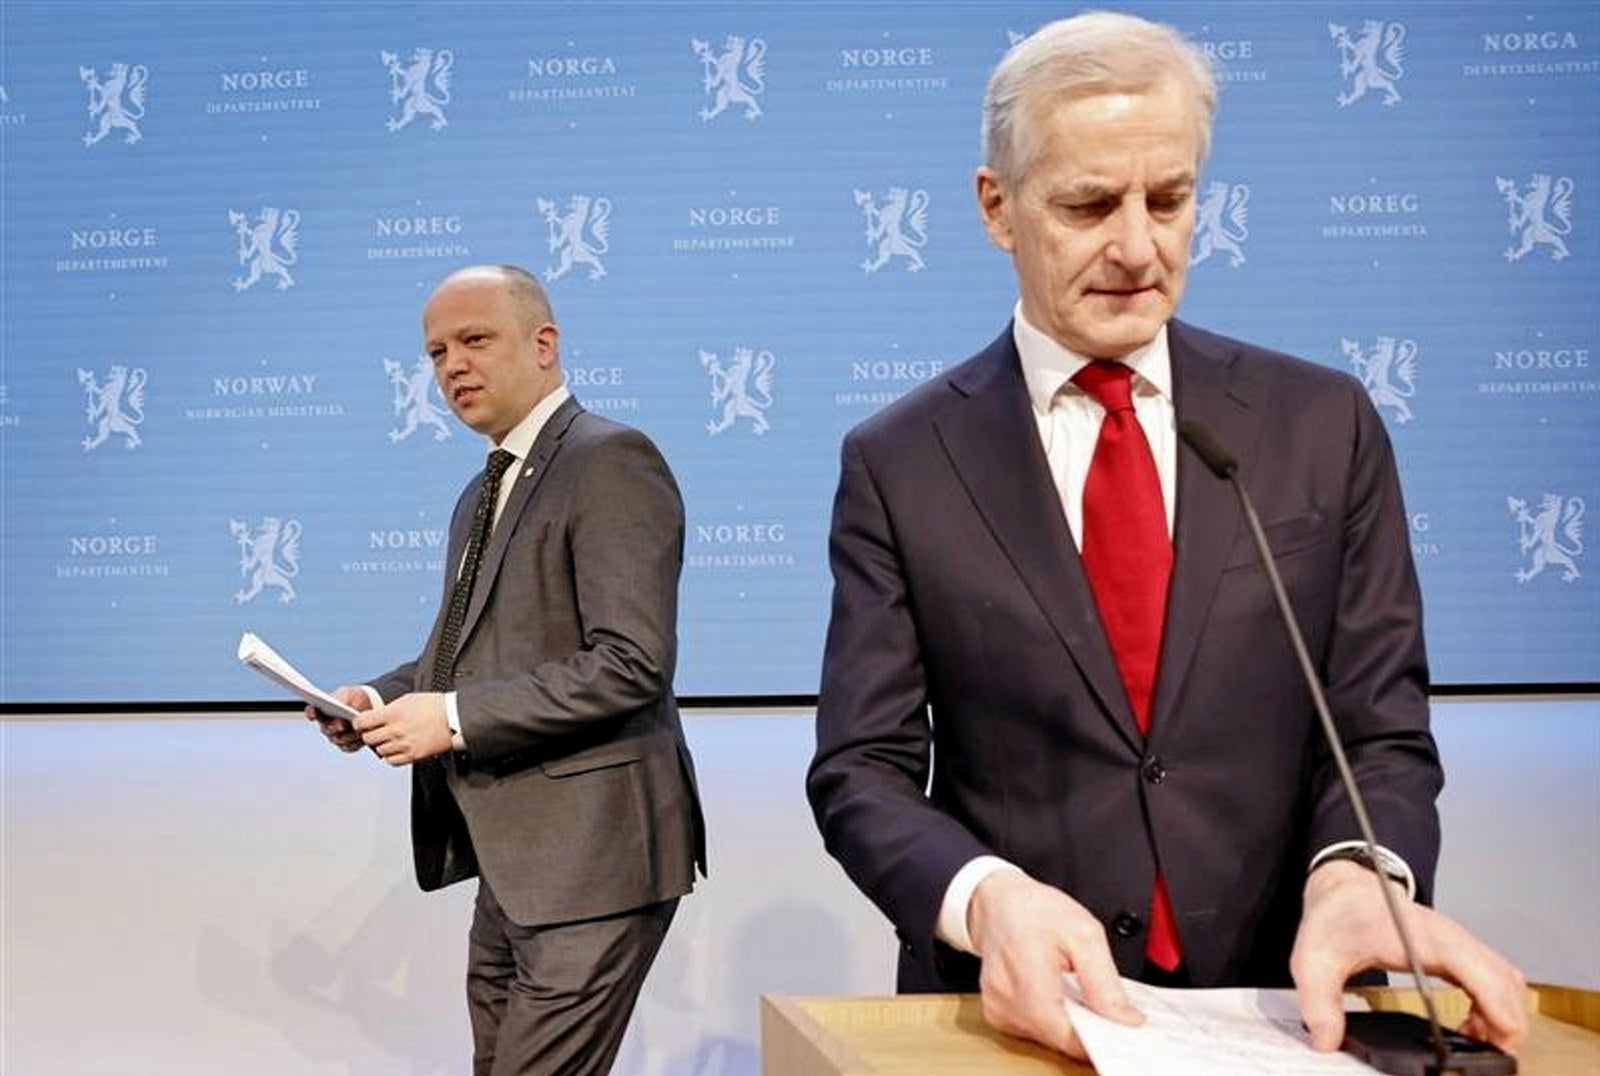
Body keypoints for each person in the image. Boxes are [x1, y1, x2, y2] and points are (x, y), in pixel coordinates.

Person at [806, 11, 1526, 1062]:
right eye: (1089, 204)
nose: (1138, 247)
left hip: (1287, 1009)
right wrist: (987, 897)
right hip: (1022, 1019)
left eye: (1170, 199)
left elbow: (1377, 725)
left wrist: (1358, 875)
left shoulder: (1320, 424)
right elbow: (861, 770)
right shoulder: (901, 460)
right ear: (997, 207)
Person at [310, 264, 705, 1076]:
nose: (452, 365)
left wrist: (450, 719)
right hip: (515, 866)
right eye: (436, 352)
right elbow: (463, 650)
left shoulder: (609, 460)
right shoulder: (482, 490)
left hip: (596, 862)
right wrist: (374, 699)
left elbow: (630, 663)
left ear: (544, 344)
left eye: (475, 340)